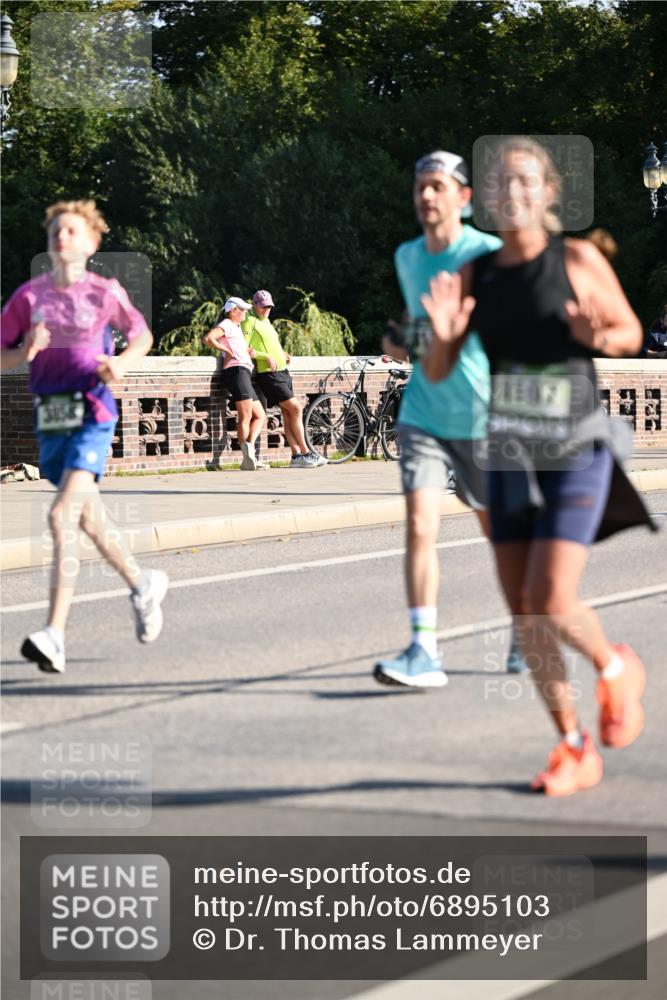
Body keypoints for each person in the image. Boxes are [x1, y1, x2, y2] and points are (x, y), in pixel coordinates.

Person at [421, 136, 654, 795]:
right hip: (507, 453)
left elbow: (628, 333)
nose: (512, 192)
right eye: (500, 184)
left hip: (575, 447)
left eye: (525, 181)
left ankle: (614, 668)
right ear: (488, 201)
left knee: (551, 597)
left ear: (548, 192)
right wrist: (439, 341)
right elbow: (439, 369)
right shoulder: (476, 275)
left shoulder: (574, 258)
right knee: (524, 614)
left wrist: (592, 336)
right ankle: (572, 746)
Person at [374, 150, 527, 690]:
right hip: (423, 414)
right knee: (420, 523)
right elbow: (423, 332)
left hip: (483, 418)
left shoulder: (489, 254)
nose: (427, 196)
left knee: (500, 536)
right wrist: (403, 339)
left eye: (438, 186)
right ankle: (423, 649)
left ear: (463, 198)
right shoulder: (407, 256)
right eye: (420, 186)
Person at [0, 199, 169, 674]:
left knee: (61, 516)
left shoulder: (104, 291)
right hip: (51, 419)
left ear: (92, 242)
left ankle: (54, 634)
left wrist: (120, 363)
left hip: (93, 414)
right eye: (55, 231)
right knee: (91, 522)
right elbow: (0, 355)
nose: (61, 237)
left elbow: (141, 336)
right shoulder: (28, 298)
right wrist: (24, 352)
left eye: (71, 231)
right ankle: (142, 584)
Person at [242, 290, 327, 468]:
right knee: (296, 408)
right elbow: (245, 348)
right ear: (254, 304)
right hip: (269, 374)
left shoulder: (267, 322)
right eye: (263, 306)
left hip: (282, 372)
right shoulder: (250, 321)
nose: (267, 309)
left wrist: (282, 354)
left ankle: (296, 457)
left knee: (288, 413)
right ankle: (306, 452)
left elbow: (271, 344)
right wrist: (265, 356)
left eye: (269, 306)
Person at [204, 297, 268, 470]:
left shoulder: (236, 327)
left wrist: (245, 352)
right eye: (243, 310)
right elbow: (209, 338)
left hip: (243, 372)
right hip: (236, 372)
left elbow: (232, 344)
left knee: (259, 415)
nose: (246, 312)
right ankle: (247, 457)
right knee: (245, 416)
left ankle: (249, 455)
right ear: (233, 311)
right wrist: (227, 351)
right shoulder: (227, 323)